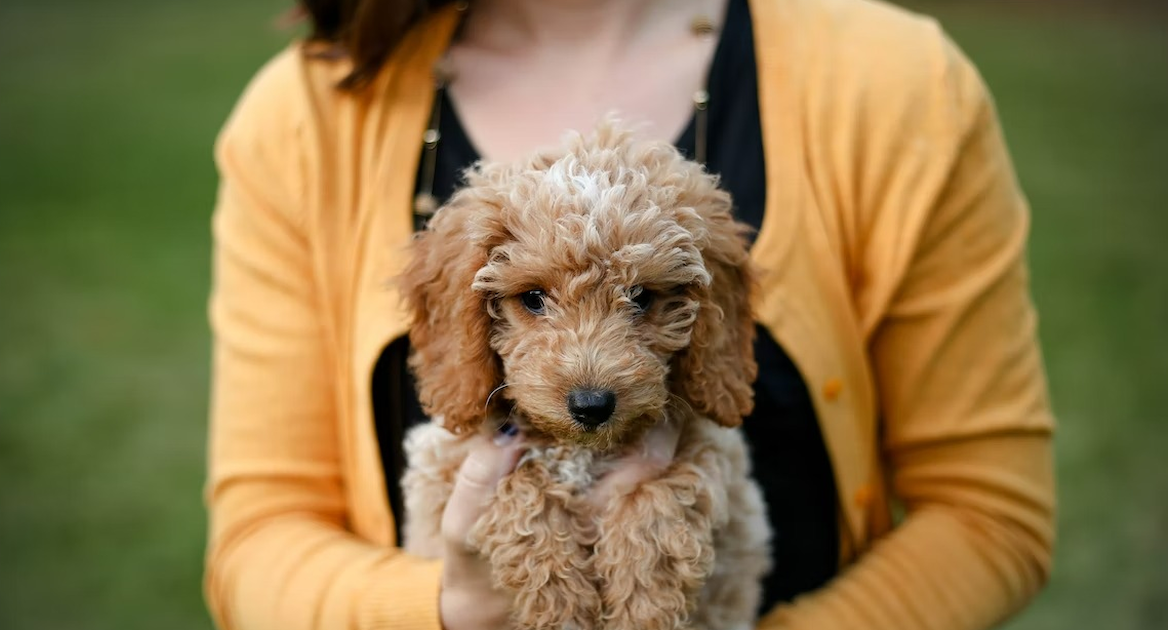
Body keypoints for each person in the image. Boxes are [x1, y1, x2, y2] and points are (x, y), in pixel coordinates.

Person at [203, 0, 1057, 628]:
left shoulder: (899, 86)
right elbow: (254, 542)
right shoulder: (300, 121)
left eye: (646, 300)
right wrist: (447, 605)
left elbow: (988, 515)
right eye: (532, 300)